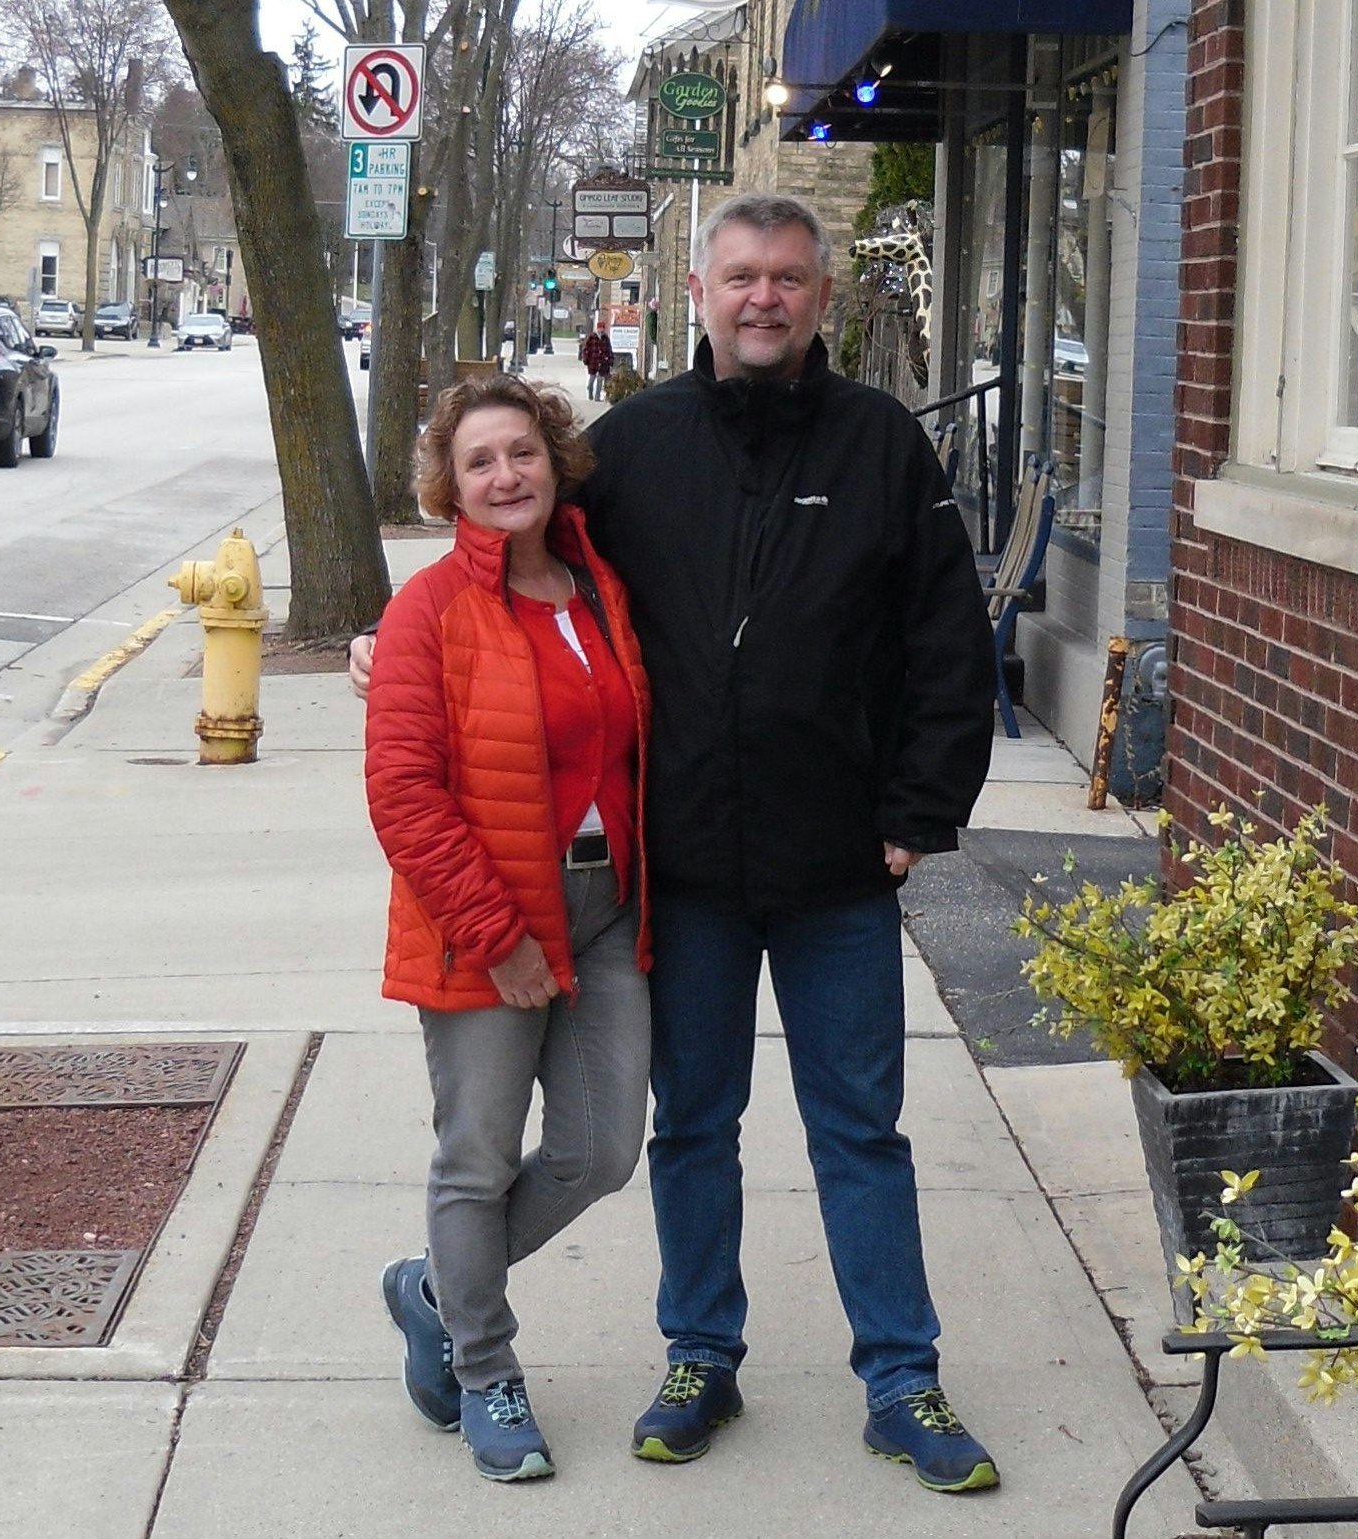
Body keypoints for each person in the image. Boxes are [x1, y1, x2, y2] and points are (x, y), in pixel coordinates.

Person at [357, 193, 999, 1494]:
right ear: (700, 291)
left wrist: (919, 810)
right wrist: (401, 639)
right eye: (740, 276)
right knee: (690, 1124)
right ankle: (702, 1351)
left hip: (837, 873)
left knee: (859, 1128)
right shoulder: (634, 447)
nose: (763, 297)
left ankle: (902, 1374)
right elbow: (516, 538)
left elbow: (948, 639)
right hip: (687, 876)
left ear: (818, 296)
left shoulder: (880, 443)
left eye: (787, 278)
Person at [364, 373, 655, 1484]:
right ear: (452, 487)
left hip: (604, 911)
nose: (504, 476)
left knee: (601, 1149)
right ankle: (484, 1369)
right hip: (487, 924)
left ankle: (434, 1289)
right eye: (480, 461)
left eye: (521, 454)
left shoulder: (598, 590)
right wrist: (501, 936)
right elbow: (403, 794)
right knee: (477, 1158)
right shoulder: (427, 612)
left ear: (554, 461)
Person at [579, 324, 614, 401]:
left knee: (600, 380)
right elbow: (586, 349)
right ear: (597, 329)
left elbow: (609, 351)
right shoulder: (591, 337)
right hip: (593, 362)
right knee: (591, 380)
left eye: (602, 329)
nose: (601, 330)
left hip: (603, 363)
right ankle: (590, 392)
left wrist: (610, 362)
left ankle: (597, 397)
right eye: (600, 328)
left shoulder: (606, 339)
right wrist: (585, 359)